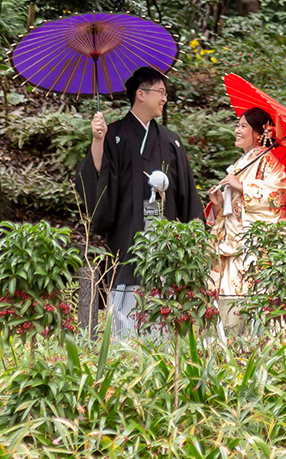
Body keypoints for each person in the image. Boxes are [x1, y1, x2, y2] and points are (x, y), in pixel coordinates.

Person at [75, 65, 203, 339]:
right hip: (127, 232)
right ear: (140, 94)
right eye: (160, 92)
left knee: (164, 291)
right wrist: (98, 140)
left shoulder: (171, 141)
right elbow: (97, 177)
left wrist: (196, 235)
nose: (164, 98)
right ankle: (124, 347)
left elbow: (187, 196)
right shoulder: (115, 134)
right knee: (127, 287)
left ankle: (165, 350)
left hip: (164, 237)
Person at [205, 106, 286, 333]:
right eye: (237, 125)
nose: (237, 130)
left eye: (243, 126)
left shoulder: (269, 162)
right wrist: (217, 202)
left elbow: (277, 195)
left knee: (250, 305)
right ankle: (231, 356)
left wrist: (243, 186)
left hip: (252, 249)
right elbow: (230, 210)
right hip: (231, 246)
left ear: (259, 133)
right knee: (229, 305)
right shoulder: (242, 163)